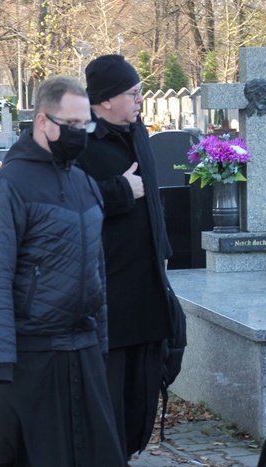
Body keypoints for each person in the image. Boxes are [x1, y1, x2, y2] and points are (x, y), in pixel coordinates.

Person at [0, 76, 123, 466]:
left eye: (84, 124)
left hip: (83, 349)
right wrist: (3, 364)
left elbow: (97, 270)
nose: (80, 134)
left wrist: (101, 343)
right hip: (31, 355)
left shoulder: (84, 182)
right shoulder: (9, 186)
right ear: (42, 121)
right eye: (70, 125)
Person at [77, 54, 176, 462]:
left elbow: (152, 198)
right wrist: (118, 191)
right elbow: (63, 203)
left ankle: (129, 448)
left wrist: (165, 251)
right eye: (132, 93)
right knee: (110, 389)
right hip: (109, 292)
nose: (139, 101)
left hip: (148, 285)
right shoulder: (80, 141)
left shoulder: (138, 132)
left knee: (142, 387)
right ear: (104, 101)